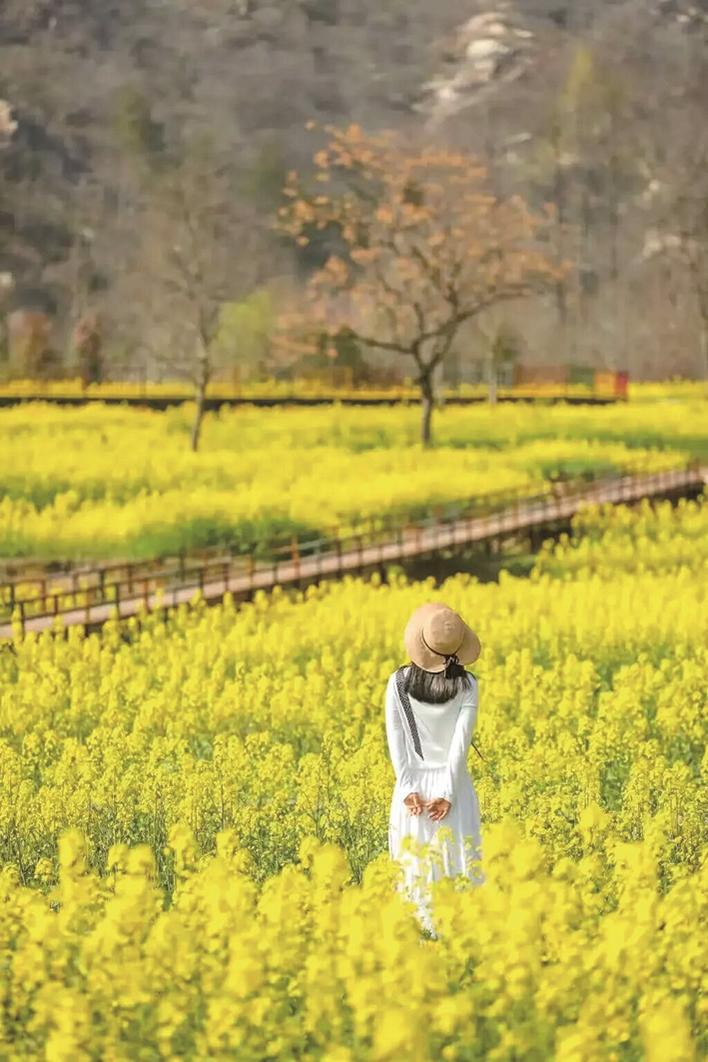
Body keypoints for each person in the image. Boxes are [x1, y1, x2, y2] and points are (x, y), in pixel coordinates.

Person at [385, 602, 484, 935]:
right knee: (458, 864)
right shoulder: (468, 685)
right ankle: (461, 939)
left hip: (412, 788)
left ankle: (420, 943)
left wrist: (408, 787)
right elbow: (460, 744)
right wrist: (447, 793)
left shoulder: (397, 682)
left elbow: (396, 739)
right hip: (454, 788)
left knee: (416, 868)